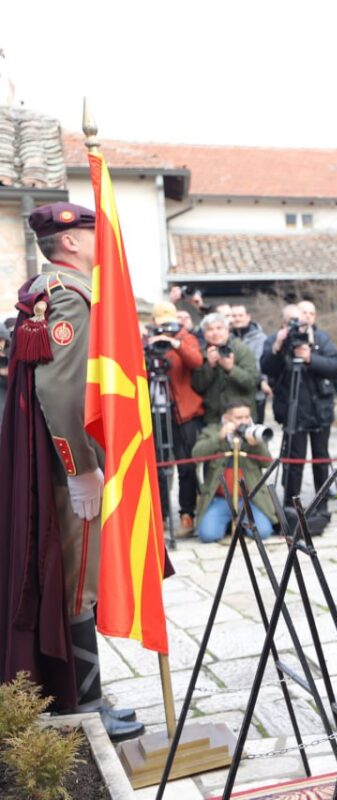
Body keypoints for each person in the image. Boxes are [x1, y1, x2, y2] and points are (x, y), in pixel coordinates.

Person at [0, 203, 144, 741]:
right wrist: (82, 468)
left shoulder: (52, 290)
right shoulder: (73, 297)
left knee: (76, 579)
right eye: (92, 231)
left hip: (55, 459)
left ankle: (78, 695)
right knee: (80, 582)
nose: (99, 239)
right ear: (73, 243)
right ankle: (83, 705)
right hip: (69, 466)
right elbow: (61, 391)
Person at [260, 300, 337, 517]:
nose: (298, 325)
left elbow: (335, 366)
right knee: (293, 462)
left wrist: (310, 358)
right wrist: (278, 347)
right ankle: (290, 506)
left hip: (318, 410)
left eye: (302, 319)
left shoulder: (320, 339)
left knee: (321, 461)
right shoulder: (275, 340)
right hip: (292, 411)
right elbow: (267, 368)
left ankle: (322, 507)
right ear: (283, 323)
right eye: (291, 322)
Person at [145, 301, 205, 535]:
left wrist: (175, 343)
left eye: (168, 325)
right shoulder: (146, 341)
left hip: (184, 412)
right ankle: (160, 516)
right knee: (158, 466)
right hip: (156, 411)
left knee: (186, 464)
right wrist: (148, 348)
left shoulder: (185, 338)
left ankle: (186, 514)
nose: (164, 330)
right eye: (160, 326)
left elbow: (196, 361)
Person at [192, 401, 276, 543]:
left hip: (250, 498)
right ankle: (229, 524)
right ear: (226, 419)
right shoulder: (212, 431)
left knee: (263, 532)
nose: (244, 421)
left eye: (246, 417)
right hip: (220, 498)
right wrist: (219, 438)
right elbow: (196, 455)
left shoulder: (254, 433)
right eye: (238, 418)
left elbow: (267, 463)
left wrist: (256, 445)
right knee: (208, 535)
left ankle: (240, 524)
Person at [192, 312, 258, 425]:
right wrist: (209, 366)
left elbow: (251, 381)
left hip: (241, 417)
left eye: (219, 328)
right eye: (210, 329)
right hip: (213, 418)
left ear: (227, 330)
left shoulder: (240, 349)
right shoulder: (200, 353)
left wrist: (231, 369)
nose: (215, 332)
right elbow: (197, 386)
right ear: (204, 334)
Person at [229, 304, 271, 423]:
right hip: (232, 392)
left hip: (255, 393)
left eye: (240, 315)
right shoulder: (226, 337)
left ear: (248, 317)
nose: (237, 318)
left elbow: (259, 365)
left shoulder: (260, 338)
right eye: (234, 315)